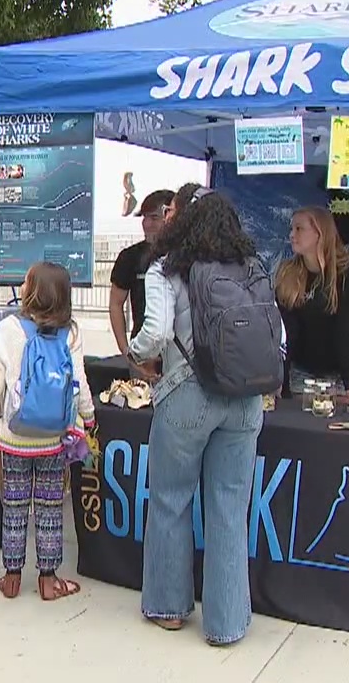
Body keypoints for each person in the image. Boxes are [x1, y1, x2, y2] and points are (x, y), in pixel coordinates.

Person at [125, 187, 268, 647]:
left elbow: (155, 334)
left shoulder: (167, 270)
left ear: (183, 221)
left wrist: (137, 354)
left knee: (171, 499)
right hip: (245, 400)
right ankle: (227, 624)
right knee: (229, 507)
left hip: (187, 393)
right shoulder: (253, 269)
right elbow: (275, 334)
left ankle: (169, 607)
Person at [0, 261, 95, 602]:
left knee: (13, 506)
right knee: (49, 507)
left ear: (32, 290)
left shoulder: (6, 330)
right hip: (54, 438)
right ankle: (48, 579)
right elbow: (79, 383)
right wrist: (88, 418)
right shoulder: (71, 332)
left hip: (14, 438)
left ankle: (12, 578)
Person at [274, 206, 349, 404]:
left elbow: (346, 328)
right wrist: (281, 382)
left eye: (299, 229)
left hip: (342, 376)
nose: (292, 235)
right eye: (291, 229)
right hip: (303, 372)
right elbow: (287, 332)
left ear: (320, 233)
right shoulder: (288, 274)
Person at [109, 189, 174, 354]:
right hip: (143, 353)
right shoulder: (129, 257)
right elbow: (116, 304)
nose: (147, 224)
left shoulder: (187, 256)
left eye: (154, 218)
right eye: (144, 217)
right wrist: (125, 350)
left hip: (181, 357)